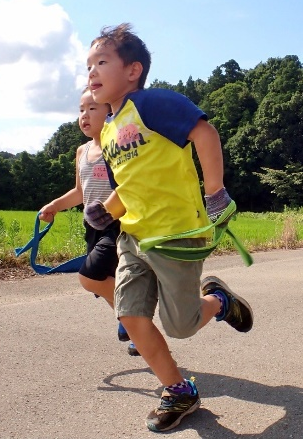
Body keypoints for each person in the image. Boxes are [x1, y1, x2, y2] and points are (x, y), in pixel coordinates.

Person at [82, 23, 253, 433]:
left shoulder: (151, 104)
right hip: (133, 237)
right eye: (88, 66)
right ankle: (178, 390)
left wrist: (215, 193)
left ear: (133, 70)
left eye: (101, 62)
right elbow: (131, 184)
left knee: (181, 325)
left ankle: (218, 300)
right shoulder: (109, 129)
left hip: (177, 235)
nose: (91, 72)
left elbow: (204, 133)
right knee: (130, 313)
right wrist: (107, 210)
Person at [38, 88, 138, 356]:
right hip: (91, 228)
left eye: (92, 108)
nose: (84, 115)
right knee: (105, 280)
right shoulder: (81, 151)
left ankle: (133, 318)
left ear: (110, 111)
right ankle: (134, 326)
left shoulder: (118, 145)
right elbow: (79, 192)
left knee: (92, 275)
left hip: (117, 224)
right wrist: (54, 206)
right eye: (81, 109)